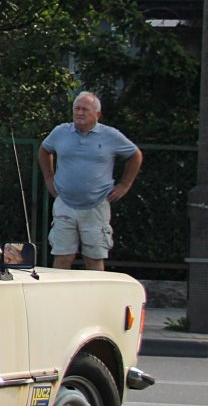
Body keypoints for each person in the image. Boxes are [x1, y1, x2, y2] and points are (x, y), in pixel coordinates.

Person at [37, 90, 142, 271]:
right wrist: (49, 178)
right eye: (76, 109)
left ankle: (96, 299)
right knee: (62, 257)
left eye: (85, 109)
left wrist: (125, 185)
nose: (79, 113)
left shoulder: (111, 135)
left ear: (97, 114)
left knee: (94, 258)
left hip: (96, 206)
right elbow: (44, 150)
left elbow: (135, 155)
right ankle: (59, 298)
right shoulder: (60, 132)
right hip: (65, 204)